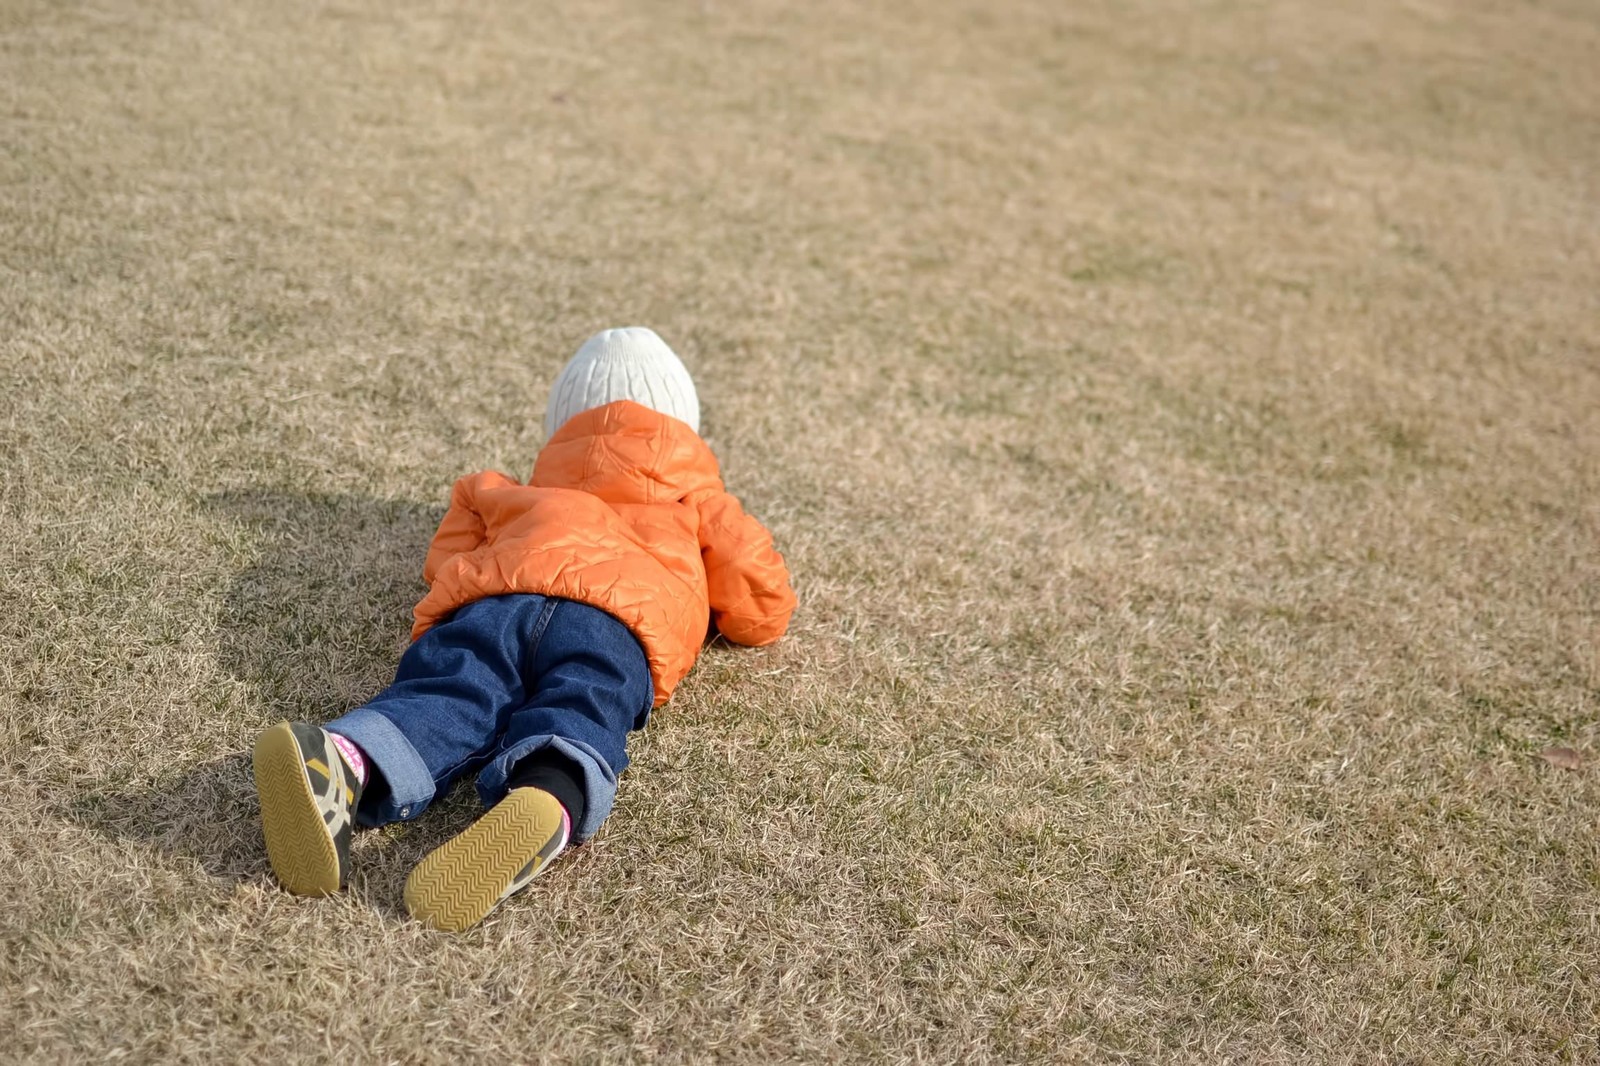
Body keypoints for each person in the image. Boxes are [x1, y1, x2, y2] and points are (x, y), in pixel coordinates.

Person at [251, 327, 797, 931]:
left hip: (502, 600)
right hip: (616, 624)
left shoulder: (515, 490)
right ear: (686, 429)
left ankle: (344, 758)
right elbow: (761, 610)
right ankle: (547, 794)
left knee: (448, 693)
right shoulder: (698, 505)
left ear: (562, 426)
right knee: (584, 706)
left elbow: (449, 553)